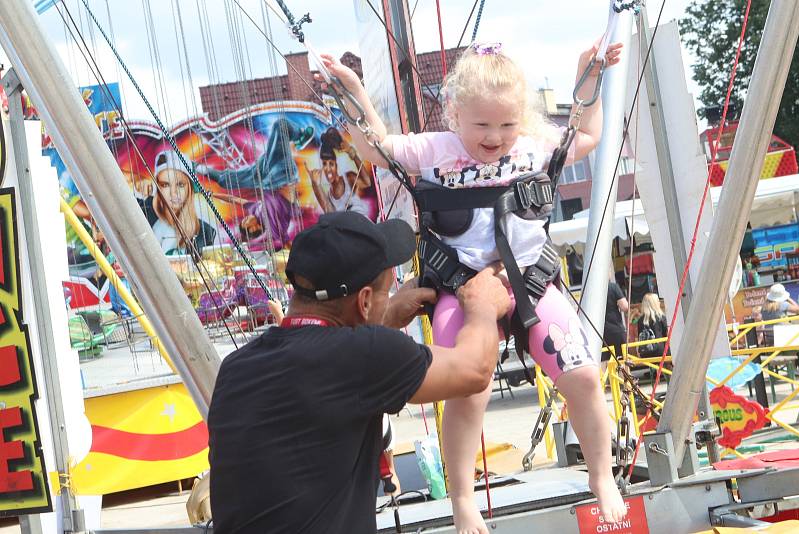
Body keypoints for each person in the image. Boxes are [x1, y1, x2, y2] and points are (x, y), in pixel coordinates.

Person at [320, 39, 627, 531]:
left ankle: (601, 476)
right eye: (482, 125)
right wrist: (352, 89)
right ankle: (463, 498)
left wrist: (587, 74)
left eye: (506, 124)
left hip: (530, 283)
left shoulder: (531, 146)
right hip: (462, 292)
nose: (495, 137)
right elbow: (374, 148)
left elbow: (586, 132)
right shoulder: (434, 150)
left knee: (585, 378)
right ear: (455, 114)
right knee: (465, 390)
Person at [207, 211, 511, 533]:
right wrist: (483, 306)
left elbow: (332, 370)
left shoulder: (237, 367)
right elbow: (475, 370)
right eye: (384, 292)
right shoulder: (363, 356)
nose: (388, 299)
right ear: (364, 301)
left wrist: (385, 315)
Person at [152, 150, 216, 256]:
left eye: (180, 185)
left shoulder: (205, 232)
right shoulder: (148, 223)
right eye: (165, 185)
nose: (173, 193)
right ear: (158, 189)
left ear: (190, 188)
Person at [306, 127, 374, 218]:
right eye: (324, 164)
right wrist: (316, 185)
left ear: (336, 165)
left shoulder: (348, 178)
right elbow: (328, 211)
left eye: (331, 164)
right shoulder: (329, 196)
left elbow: (367, 182)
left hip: (362, 224)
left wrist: (353, 155)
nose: (328, 169)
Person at [603, 276, 630, 363]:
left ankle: (608, 377)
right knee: (622, 359)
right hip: (615, 329)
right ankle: (624, 376)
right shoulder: (612, 287)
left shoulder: (590, 290)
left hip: (599, 332)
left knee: (605, 361)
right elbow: (625, 307)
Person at [637, 293, 667, 358]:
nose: (659, 302)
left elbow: (639, 336)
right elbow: (666, 334)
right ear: (655, 303)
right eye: (658, 301)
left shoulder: (640, 321)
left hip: (645, 353)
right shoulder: (660, 317)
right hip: (660, 353)